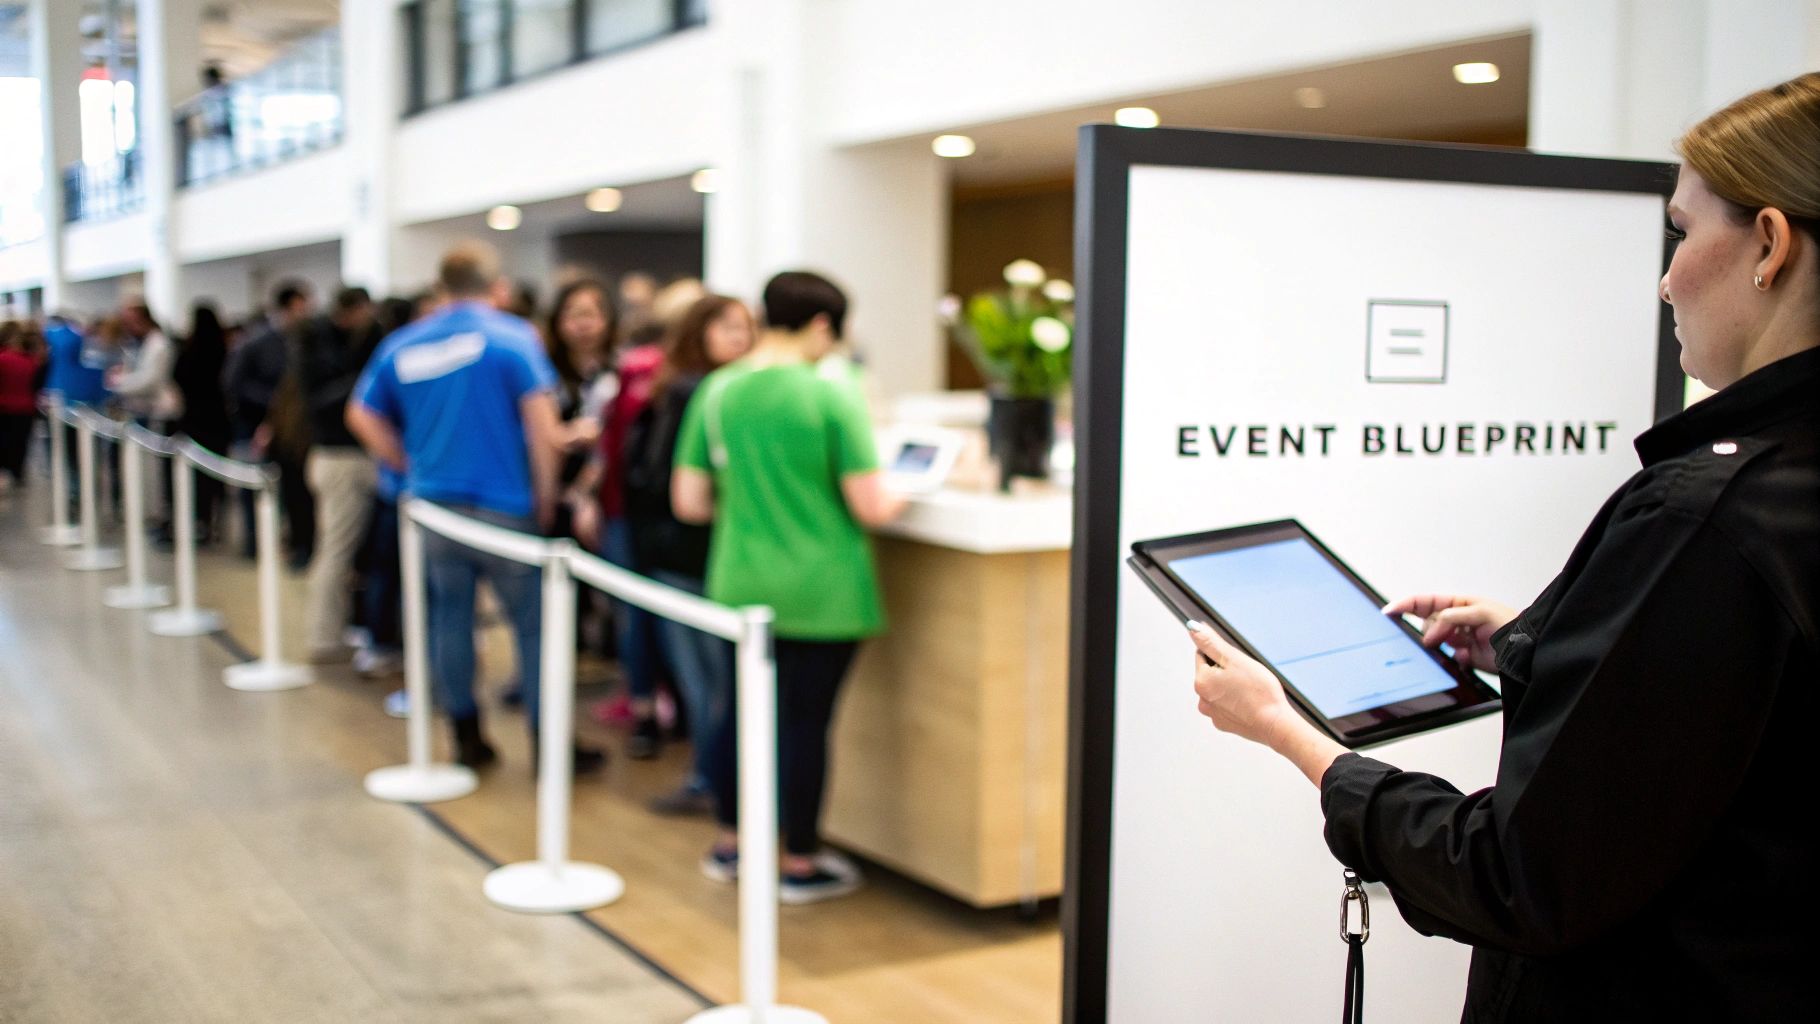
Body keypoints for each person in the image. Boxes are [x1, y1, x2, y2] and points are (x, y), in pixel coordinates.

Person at [1187, 73, 1820, 1021]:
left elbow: (1514, 875)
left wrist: (1293, 736)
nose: (1665, 280)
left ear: (1768, 243)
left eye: (1682, 234)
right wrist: (1541, 641)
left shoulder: (1703, 515)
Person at [673, 271, 907, 903]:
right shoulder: (832, 391)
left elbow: (690, 501)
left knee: (737, 715)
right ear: (823, 325)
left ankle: (731, 844)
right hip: (823, 590)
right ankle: (797, 862)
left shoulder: (719, 390)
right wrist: (912, 487)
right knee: (805, 725)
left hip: (739, 583)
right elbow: (871, 505)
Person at [347, 241, 604, 773]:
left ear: (441, 288)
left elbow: (361, 415)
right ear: (498, 287)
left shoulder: (403, 344)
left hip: (434, 508)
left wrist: (406, 463)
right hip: (505, 506)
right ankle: (549, 742)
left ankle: (466, 735)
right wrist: (546, 496)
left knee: (449, 617)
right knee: (534, 626)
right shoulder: (513, 338)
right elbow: (542, 429)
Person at [624, 293, 755, 814]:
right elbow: (667, 480)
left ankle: (717, 778)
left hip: (695, 550)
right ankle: (713, 779)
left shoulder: (711, 388)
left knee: (712, 676)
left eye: (745, 327)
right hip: (687, 550)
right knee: (707, 679)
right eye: (727, 327)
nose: (739, 338)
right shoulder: (695, 391)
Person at [597, 278, 703, 756]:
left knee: (657, 620)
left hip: (650, 514)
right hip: (642, 514)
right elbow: (618, 446)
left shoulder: (705, 379)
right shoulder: (649, 370)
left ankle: (665, 710)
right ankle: (647, 708)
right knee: (642, 617)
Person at [295, 286, 381, 661]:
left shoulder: (323, 345)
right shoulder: (323, 348)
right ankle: (324, 636)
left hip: (335, 457)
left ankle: (335, 630)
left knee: (338, 549)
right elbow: (324, 403)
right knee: (336, 549)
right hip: (342, 458)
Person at [225, 280, 315, 565]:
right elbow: (234, 383)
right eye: (301, 307)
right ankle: (255, 541)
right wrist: (273, 403)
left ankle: (299, 543)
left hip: (295, 432)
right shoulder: (256, 343)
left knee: (297, 490)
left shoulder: (305, 340)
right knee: (254, 487)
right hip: (257, 426)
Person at [172, 303, 232, 542]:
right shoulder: (224, 350)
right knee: (216, 474)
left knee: (196, 476)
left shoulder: (188, 352)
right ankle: (214, 520)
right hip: (218, 419)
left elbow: (177, 377)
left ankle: (199, 520)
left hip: (194, 418)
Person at [0, 321, 43, 493]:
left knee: (5, 442)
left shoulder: (3, 359)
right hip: (25, 407)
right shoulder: (31, 361)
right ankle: (17, 473)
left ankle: (5, 473)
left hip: (5, 407)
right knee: (21, 443)